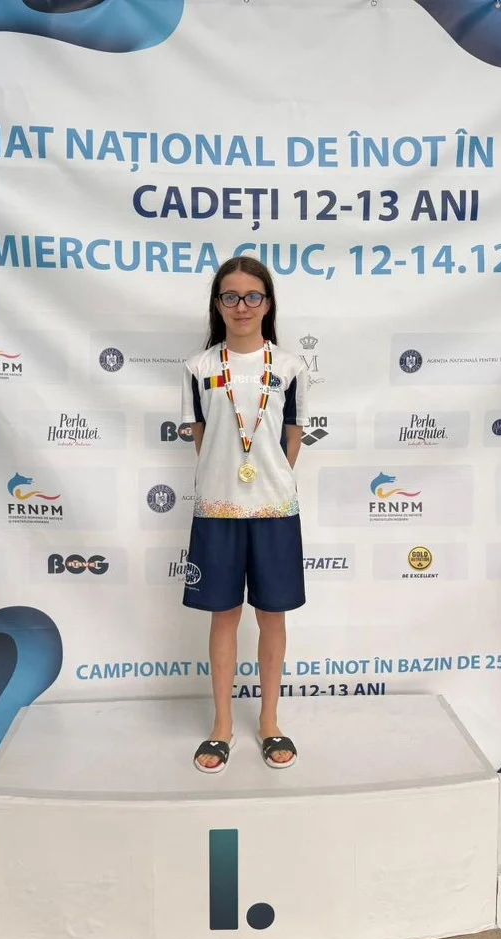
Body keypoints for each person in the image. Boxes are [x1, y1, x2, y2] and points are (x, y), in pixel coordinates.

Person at [181, 255, 308, 773]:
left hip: (275, 508)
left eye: (252, 296)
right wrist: (226, 479)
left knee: (272, 616)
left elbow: (293, 434)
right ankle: (222, 727)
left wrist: (270, 478)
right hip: (217, 508)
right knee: (224, 616)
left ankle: (270, 722)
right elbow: (200, 437)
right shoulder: (199, 368)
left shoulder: (290, 367)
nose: (241, 306)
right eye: (230, 296)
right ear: (218, 304)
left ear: (268, 303)